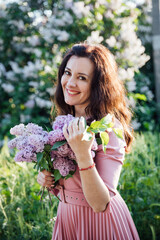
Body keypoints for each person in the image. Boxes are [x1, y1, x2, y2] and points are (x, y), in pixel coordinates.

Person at [37, 42, 140, 240]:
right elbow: (69, 186)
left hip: (100, 223)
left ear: (98, 85)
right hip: (68, 219)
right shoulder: (64, 123)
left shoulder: (108, 129)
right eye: (67, 73)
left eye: (82, 78)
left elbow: (101, 203)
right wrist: (49, 180)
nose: (70, 83)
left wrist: (83, 154)